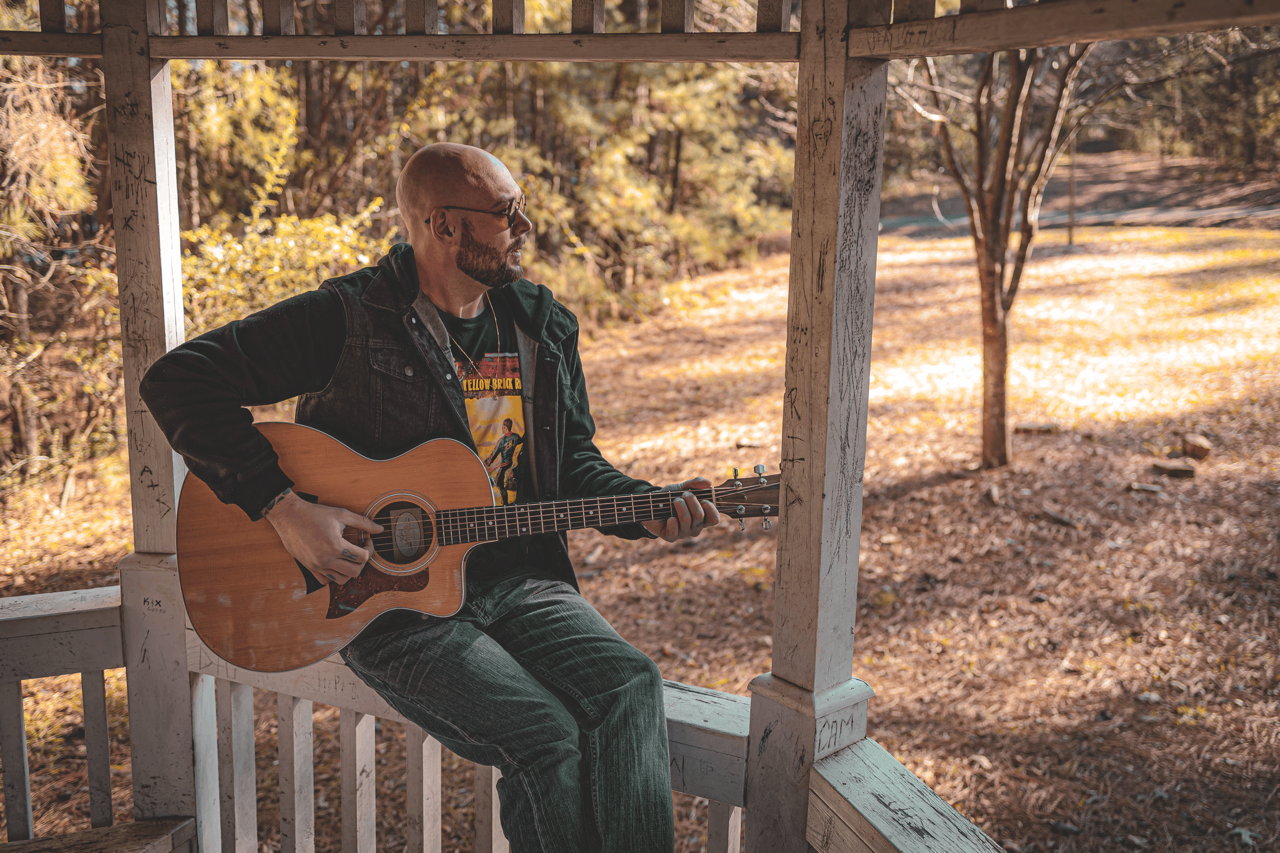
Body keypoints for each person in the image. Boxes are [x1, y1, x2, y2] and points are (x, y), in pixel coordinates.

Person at [140, 143, 720, 853]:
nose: (526, 226)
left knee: (630, 685)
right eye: (508, 213)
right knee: (544, 735)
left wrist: (646, 506)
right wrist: (285, 510)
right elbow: (179, 381)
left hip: (519, 582)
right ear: (446, 226)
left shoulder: (542, 324)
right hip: (385, 603)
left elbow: (570, 466)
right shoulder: (346, 317)